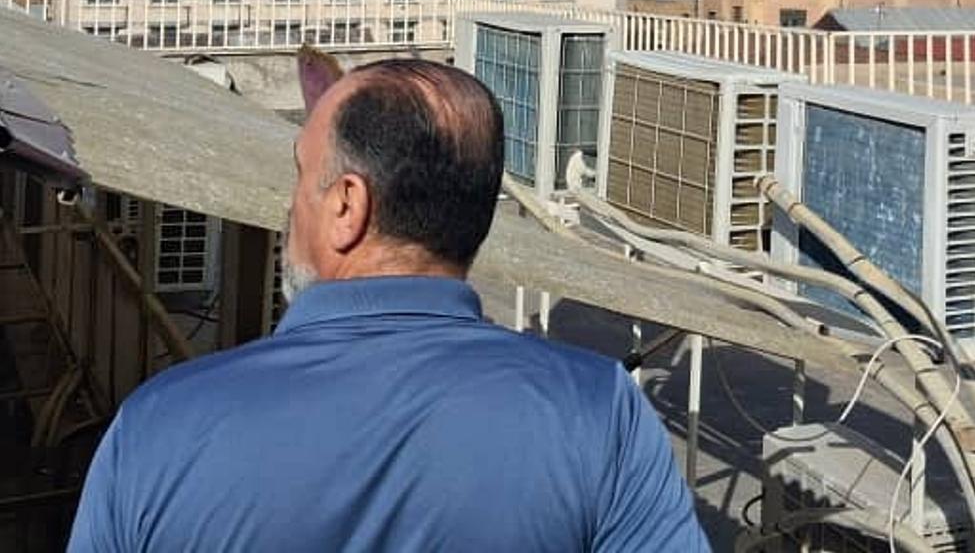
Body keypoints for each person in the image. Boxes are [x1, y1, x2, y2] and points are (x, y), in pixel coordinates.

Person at [68, 57, 709, 551]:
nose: (290, 203)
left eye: (301, 174)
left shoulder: (162, 427)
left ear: (347, 206)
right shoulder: (600, 416)